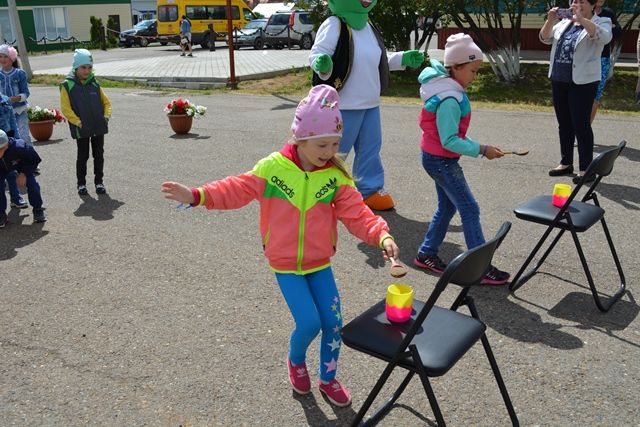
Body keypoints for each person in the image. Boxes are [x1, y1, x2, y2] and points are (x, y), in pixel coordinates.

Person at [161, 84, 400, 407]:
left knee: (333, 323)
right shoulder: (273, 168)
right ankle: (296, 360)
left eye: (334, 143)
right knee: (309, 322)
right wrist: (197, 195)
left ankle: (328, 377)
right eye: (322, 144)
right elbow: (236, 189)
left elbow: (358, 214)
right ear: (300, 138)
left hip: (319, 263)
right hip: (285, 264)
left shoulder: (334, 177)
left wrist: (381, 235)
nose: (329, 151)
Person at [413, 33, 510, 285]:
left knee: (448, 206)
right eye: (473, 70)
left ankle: (426, 254)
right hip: (441, 160)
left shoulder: (449, 90)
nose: (474, 76)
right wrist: (482, 148)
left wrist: (482, 148)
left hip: (436, 158)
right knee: (469, 208)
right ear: (455, 67)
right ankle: (480, 267)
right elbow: (449, 140)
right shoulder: (450, 99)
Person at [310, 0, 424, 211]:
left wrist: (402, 58)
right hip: (343, 104)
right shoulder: (334, 24)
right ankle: (322, 190)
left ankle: (369, 190)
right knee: (335, 151)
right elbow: (318, 53)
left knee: (370, 150)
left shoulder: (368, 24)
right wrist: (321, 63)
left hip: (370, 102)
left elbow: (379, 58)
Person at [540, 0, 612, 183]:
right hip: (559, 79)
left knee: (581, 124)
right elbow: (545, 38)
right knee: (564, 123)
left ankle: (586, 168)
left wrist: (582, 19)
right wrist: (550, 20)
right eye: (573, 1)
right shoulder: (565, 22)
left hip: (583, 82)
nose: (576, 4)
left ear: (593, 5)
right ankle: (566, 163)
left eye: (581, 1)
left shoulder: (601, 21)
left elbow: (604, 38)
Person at [60, 49, 112, 196]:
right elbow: (66, 108)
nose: (87, 71)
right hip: (81, 127)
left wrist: (106, 117)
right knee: (83, 156)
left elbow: (106, 103)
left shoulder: (95, 83)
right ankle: (81, 184)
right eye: (83, 67)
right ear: (76, 67)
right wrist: (77, 122)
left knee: (99, 155)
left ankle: (99, 182)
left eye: (89, 67)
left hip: (98, 126)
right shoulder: (67, 85)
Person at [0, 130, 45, 227]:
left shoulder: (19, 147)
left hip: (21, 166)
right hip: (2, 169)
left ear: (6, 146)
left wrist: (24, 173)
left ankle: (38, 209)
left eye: (0, 150)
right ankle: (1, 213)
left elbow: (35, 160)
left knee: (32, 184)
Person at [590, 0, 622, 123]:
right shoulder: (585, 11)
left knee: (596, 94)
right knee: (582, 94)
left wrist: (607, 30)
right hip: (586, 58)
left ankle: (586, 128)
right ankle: (578, 128)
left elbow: (618, 32)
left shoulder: (608, 13)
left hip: (603, 58)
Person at [0, 93, 28, 209]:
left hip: (7, 143)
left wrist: (18, 141)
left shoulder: (5, 100)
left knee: (12, 172)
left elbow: (12, 122)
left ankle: (16, 198)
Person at [0, 44, 31, 147]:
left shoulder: (20, 73)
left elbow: (26, 93)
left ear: (12, 58)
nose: (2, 59)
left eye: (5, 56)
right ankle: (12, 161)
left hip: (20, 110)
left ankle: (30, 159)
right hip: (4, 112)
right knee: (7, 138)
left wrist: (18, 98)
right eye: (0, 56)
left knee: (24, 136)